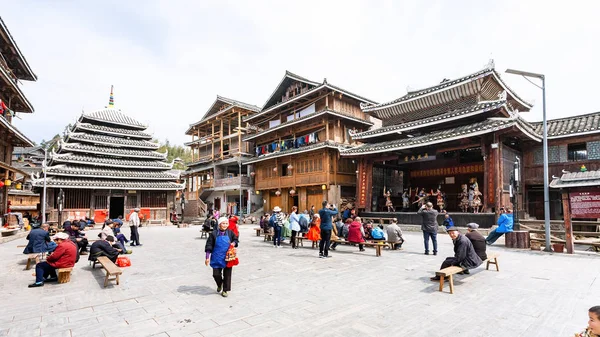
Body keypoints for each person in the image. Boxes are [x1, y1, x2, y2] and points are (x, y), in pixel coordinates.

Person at [205, 217, 239, 298]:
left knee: (227, 275)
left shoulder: (230, 233)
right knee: (216, 274)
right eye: (223, 223)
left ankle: (225, 290)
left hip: (228, 257)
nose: (225, 225)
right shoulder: (213, 234)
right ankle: (219, 284)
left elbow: (236, 240)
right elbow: (209, 246)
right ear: (219, 224)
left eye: (226, 223)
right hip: (216, 257)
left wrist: (234, 243)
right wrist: (207, 257)